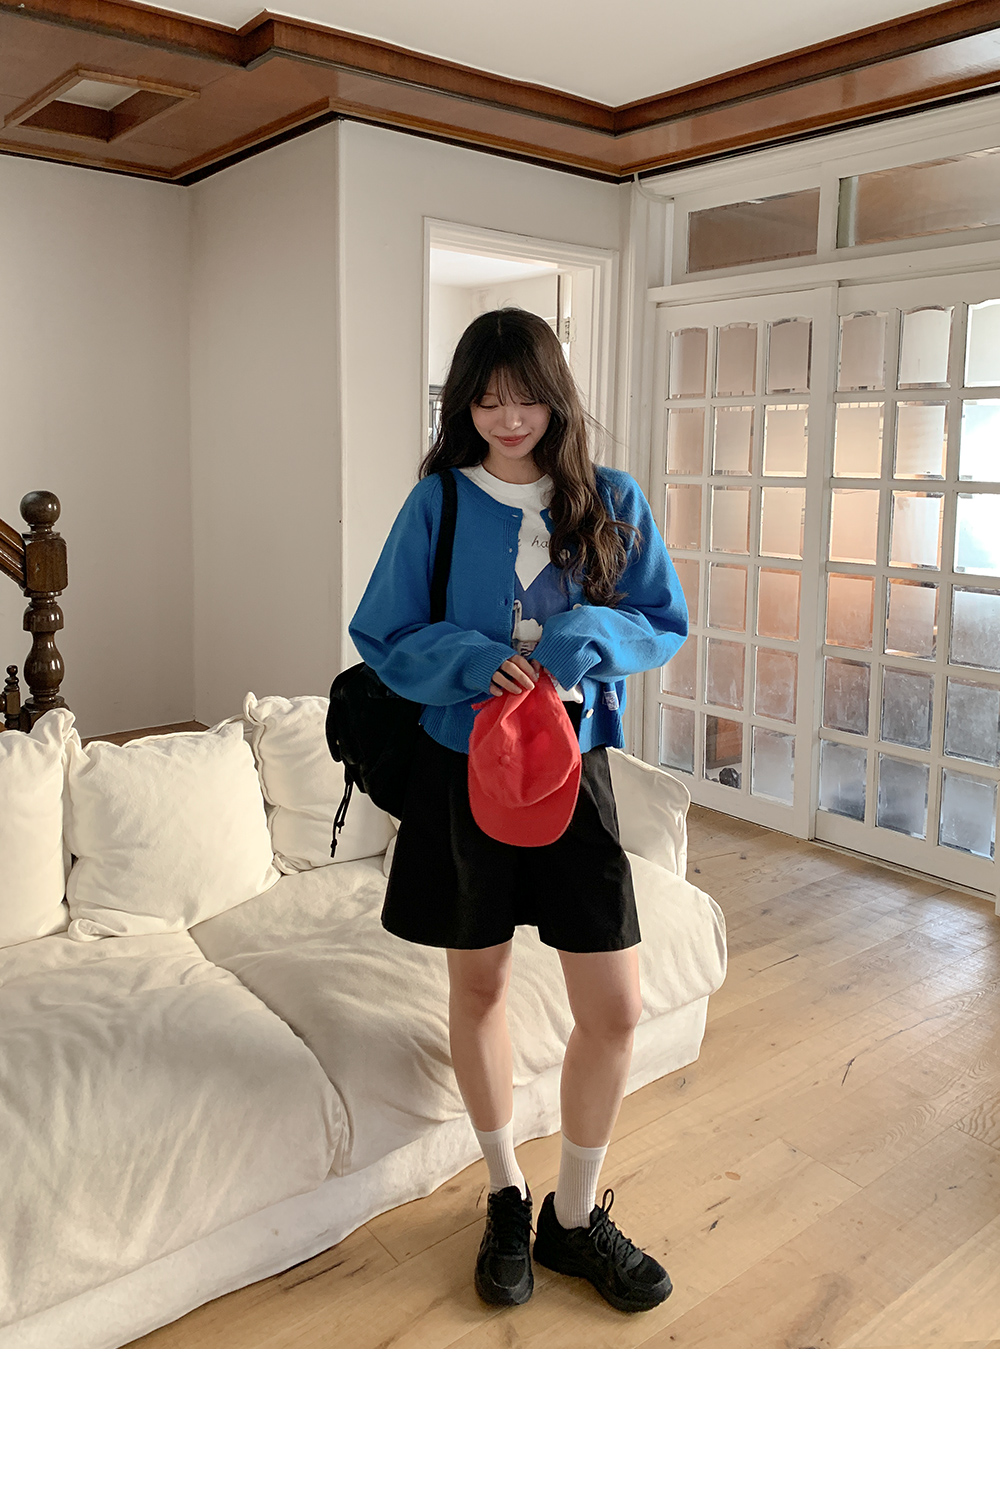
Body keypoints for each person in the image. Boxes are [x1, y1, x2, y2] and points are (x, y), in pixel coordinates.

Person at [349, 307, 688, 1314]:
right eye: (487, 400)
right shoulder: (439, 503)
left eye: (526, 397)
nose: (508, 419)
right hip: (466, 771)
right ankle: (505, 1192)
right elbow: (382, 631)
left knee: (615, 1007)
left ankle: (572, 1219)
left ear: (556, 398)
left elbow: (661, 619)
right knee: (482, 987)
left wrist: (589, 634)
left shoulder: (611, 499)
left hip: (573, 770)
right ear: (463, 405)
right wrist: (468, 658)